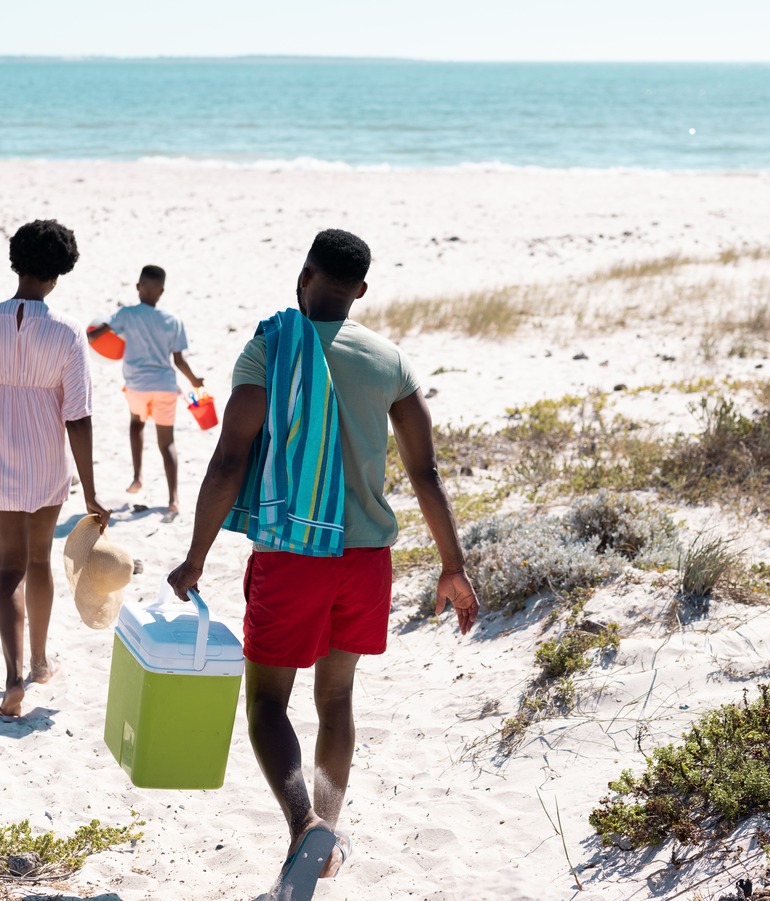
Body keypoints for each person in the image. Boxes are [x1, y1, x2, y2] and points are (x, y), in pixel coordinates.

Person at [166, 229, 479, 892]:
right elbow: (425, 470)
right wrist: (452, 564)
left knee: (266, 706)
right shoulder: (387, 358)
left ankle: (304, 825)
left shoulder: (270, 350)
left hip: (292, 556)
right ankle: (326, 836)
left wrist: (196, 554)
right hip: (365, 559)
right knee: (336, 697)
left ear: (305, 274)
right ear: (361, 289)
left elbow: (229, 458)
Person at [0, 219, 110, 718]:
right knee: (40, 562)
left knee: (7, 570)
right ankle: (41, 662)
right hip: (47, 460)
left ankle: (11, 680)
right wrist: (90, 489)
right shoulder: (66, 331)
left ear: (15, 261)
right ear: (60, 273)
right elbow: (79, 414)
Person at [89, 265, 204, 523]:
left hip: (137, 386)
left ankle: (137, 477)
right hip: (164, 386)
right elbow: (179, 361)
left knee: (136, 425)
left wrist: (95, 332)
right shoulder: (173, 322)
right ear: (161, 292)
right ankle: (173, 499)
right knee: (168, 443)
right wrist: (196, 381)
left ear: (138, 287)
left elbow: (96, 336)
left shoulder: (126, 314)